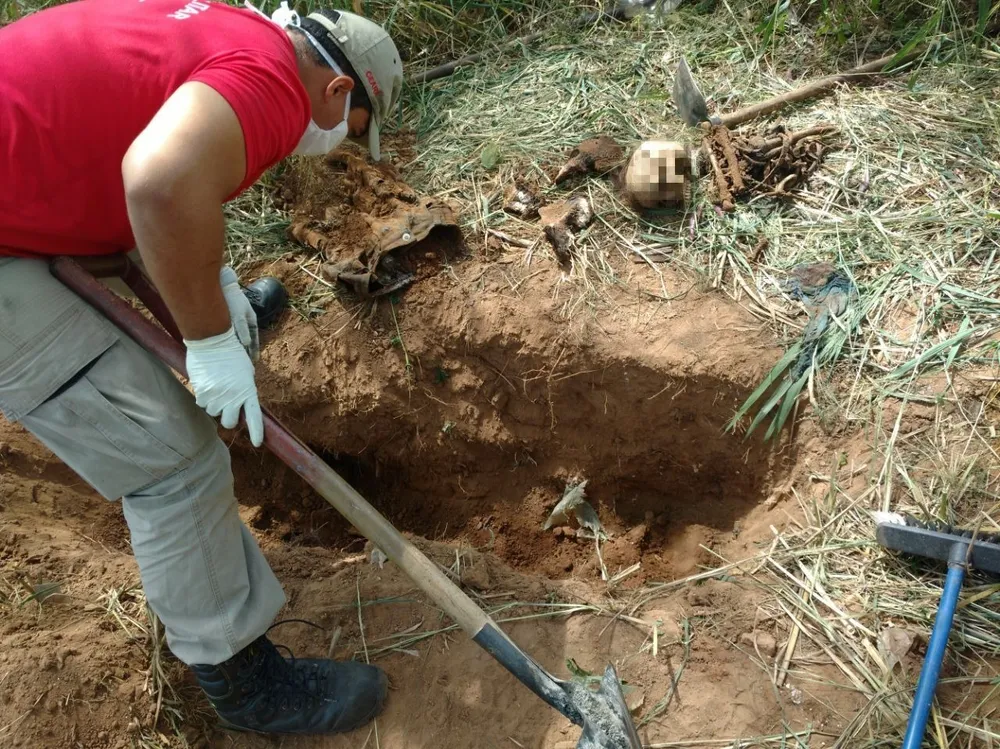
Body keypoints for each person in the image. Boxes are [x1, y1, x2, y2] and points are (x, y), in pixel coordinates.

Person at [0, 0, 403, 736]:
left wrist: (210, 300)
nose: (340, 146)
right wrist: (210, 347)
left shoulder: (238, 29)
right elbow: (158, 180)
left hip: (22, 177)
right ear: (340, 93)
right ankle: (247, 686)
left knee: (189, 297)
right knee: (173, 463)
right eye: (352, 133)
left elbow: (135, 142)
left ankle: (217, 322)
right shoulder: (281, 91)